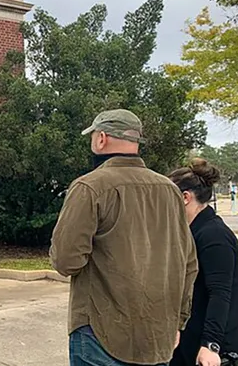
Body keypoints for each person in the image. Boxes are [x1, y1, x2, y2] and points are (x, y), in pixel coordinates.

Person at [49, 109, 199, 366]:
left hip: (100, 332)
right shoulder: (171, 191)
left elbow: (65, 261)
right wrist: (179, 321)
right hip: (158, 333)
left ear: (102, 138)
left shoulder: (90, 187)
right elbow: (188, 263)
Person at [169, 159, 238, 366]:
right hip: (188, 342)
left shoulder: (214, 236)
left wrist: (211, 345)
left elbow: (220, 294)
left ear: (185, 197)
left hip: (209, 350)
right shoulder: (193, 233)